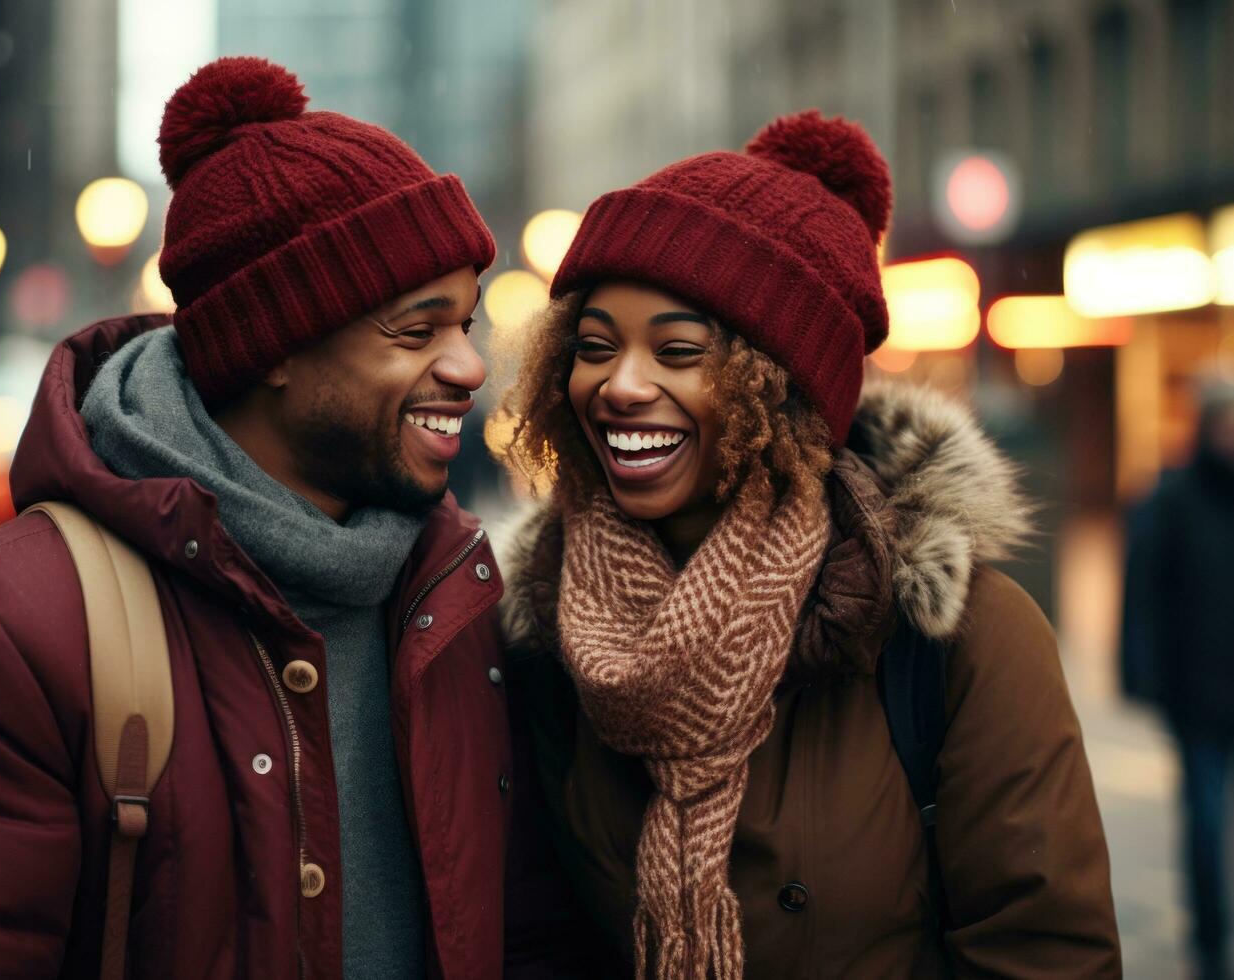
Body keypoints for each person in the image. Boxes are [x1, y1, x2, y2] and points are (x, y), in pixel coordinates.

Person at [0, 57, 511, 979]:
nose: (468, 367)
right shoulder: (8, 628)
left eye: (468, 324)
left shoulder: (459, 594)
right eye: (418, 329)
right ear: (274, 345)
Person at [498, 111, 1121, 978]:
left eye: (678, 351)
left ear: (780, 390)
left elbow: (1043, 954)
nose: (620, 385)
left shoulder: (955, 639)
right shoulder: (547, 624)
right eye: (594, 348)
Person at [1122, 378, 1234, 980]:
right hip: (1198, 691)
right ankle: (1210, 936)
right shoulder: (1172, 498)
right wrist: (1141, 674)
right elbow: (1142, 593)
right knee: (1206, 813)